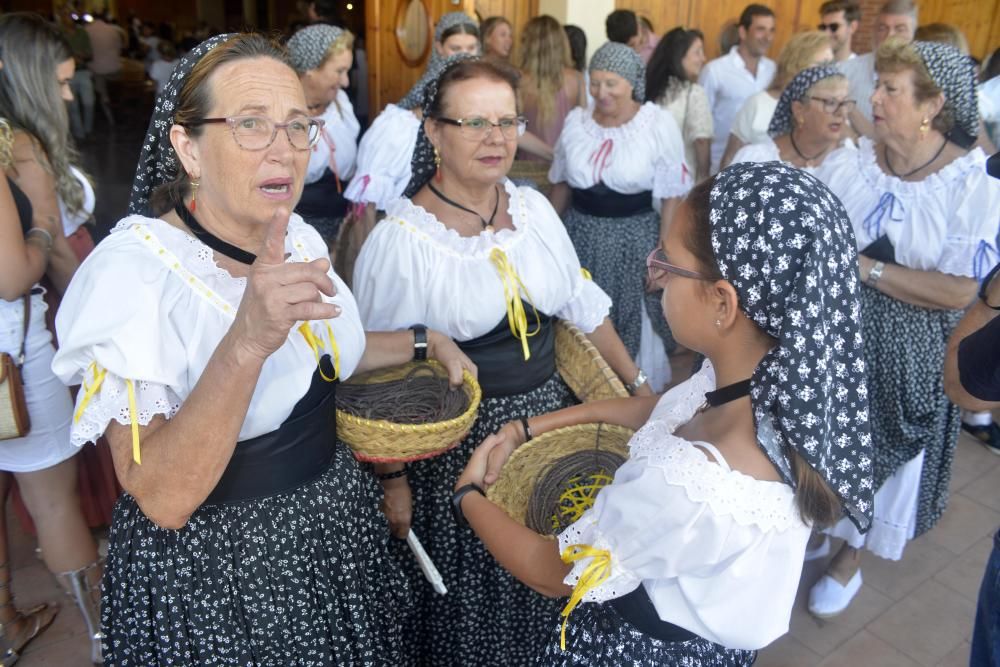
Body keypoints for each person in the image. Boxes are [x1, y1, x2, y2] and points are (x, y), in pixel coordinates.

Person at [52, 33, 474, 664]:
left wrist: (424, 339)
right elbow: (162, 496)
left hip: (331, 529)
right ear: (186, 146)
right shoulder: (132, 279)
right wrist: (246, 340)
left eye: (298, 125)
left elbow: (325, 353)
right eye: (251, 124)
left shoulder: (295, 234)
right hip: (223, 573)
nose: (284, 150)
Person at [454, 161, 874, 664]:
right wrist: (530, 427)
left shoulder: (690, 485)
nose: (655, 278)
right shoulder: (765, 386)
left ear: (723, 302)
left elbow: (551, 570)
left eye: (668, 265)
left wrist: (467, 495)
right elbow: (663, 408)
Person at [352, 56, 643, 667]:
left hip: (552, 427)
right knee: (478, 591)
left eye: (507, 121)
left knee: (551, 566)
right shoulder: (402, 243)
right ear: (432, 131)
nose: (496, 139)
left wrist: (637, 385)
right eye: (475, 122)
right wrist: (392, 481)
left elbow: (583, 306)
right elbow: (374, 380)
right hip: (461, 446)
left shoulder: (533, 211)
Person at [809, 39, 1000, 619]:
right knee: (822, 436)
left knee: (884, 456)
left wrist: (865, 268)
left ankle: (849, 557)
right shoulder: (854, 160)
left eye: (891, 89)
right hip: (837, 328)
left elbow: (960, 290)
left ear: (932, 104)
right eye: (879, 85)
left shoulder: (973, 185)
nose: (875, 99)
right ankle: (824, 515)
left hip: (912, 351)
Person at [0, 13, 107, 664]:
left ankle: (9, 619)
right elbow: (16, 276)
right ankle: (102, 636)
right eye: (61, 84)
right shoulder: (18, 149)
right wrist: (41, 228)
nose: (69, 97)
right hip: (16, 350)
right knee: (52, 499)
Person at [549, 43, 689, 392]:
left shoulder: (656, 124)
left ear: (631, 83)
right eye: (594, 83)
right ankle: (584, 388)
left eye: (611, 83)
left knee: (629, 317)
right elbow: (563, 186)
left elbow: (672, 194)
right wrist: (546, 235)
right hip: (580, 234)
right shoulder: (576, 123)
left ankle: (632, 395)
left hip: (634, 236)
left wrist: (664, 252)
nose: (601, 93)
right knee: (578, 315)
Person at [287, 24, 359, 247]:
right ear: (310, 69)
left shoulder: (340, 104)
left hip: (342, 226)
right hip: (295, 235)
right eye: (339, 71)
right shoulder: (280, 116)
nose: (346, 81)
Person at [719, 31, 834, 169]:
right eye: (822, 65)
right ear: (797, 64)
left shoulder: (833, 111)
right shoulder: (758, 104)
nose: (829, 72)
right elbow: (729, 160)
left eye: (832, 65)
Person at [699, 4, 776, 172]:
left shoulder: (774, 71)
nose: (768, 37)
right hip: (720, 165)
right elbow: (701, 125)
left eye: (771, 30)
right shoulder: (715, 70)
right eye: (761, 29)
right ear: (742, 32)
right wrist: (703, 175)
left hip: (762, 169)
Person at [731, 65, 855, 170]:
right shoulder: (757, 160)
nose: (841, 112)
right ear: (799, 110)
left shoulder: (850, 164)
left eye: (845, 103)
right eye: (830, 103)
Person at [840, 0, 918, 139]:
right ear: (873, 31)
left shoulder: (923, 79)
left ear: (914, 34)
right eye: (882, 28)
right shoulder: (845, 72)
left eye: (900, 29)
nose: (889, 36)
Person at [514, 16, 586, 163]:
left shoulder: (517, 80)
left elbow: (512, 129)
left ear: (527, 44)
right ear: (561, 43)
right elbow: (584, 127)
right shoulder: (576, 79)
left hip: (526, 167)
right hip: (565, 165)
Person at [646, 28, 714, 182]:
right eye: (697, 52)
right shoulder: (694, 93)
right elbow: (701, 140)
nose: (703, 58)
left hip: (647, 177)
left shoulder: (649, 88)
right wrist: (703, 179)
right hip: (679, 181)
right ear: (679, 57)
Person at [84, 12, 124, 126]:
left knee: (101, 91)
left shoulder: (87, 30)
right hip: (114, 67)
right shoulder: (113, 30)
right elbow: (119, 48)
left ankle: (108, 114)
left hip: (97, 69)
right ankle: (117, 107)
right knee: (115, 90)